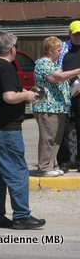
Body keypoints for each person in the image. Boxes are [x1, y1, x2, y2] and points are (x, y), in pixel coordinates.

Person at [0, 31, 45, 230]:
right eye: (15, 46)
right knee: (17, 172)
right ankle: (22, 216)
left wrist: (20, 93)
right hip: (4, 129)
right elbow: (8, 97)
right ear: (11, 48)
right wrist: (28, 95)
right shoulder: (5, 67)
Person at [34, 36, 80, 177]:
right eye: (58, 50)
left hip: (58, 108)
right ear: (49, 50)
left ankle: (52, 165)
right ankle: (44, 167)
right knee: (48, 138)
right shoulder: (43, 63)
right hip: (47, 108)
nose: (61, 52)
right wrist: (78, 70)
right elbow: (57, 78)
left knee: (56, 139)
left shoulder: (54, 64)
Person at [56, 20, 80, 173]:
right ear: (70, 34)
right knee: (62, 128)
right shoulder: (62, 48)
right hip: (64, 92)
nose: (78, 37)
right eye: (76, 34)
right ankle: (63, 161)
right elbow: (56, 69)